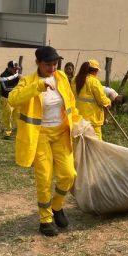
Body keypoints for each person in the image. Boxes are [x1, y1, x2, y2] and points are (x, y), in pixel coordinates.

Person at [8, 46, 81, 237]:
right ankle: (45, 219)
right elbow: (13, 99)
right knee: (44, 178)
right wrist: (38, 87)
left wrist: (79, 124)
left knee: (69, 174)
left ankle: (57, 206)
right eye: (48, 64)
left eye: (55, 63)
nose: (52, 68)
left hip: (61, 133)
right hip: (40, 136)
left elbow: (71, 104)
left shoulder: (62, 78)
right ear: (38, 63)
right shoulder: (28, 81)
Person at [74, 59, 113, 141]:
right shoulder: (94, 82)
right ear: (94, 71)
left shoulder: (75, 80)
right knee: (96, 145)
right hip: (92, 120)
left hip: (78, 118)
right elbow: (102, 100)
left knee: (79, 142)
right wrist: (108, 102)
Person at [0, 60, 22, 139]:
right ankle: (7, 133)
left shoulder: (15, 73)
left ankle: (19, 131)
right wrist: (18, 89)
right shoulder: (3, 76)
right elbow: (6, 88)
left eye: (17, 69)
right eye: (14, 69)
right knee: (7, 116)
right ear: (9, 68)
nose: (16, 70)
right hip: (7, 98)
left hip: (16, 98)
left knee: (18, 115)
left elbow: (19, 82)